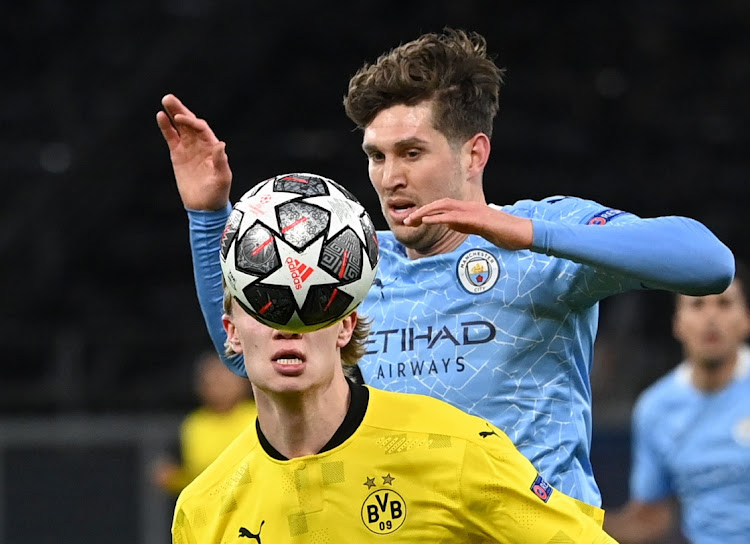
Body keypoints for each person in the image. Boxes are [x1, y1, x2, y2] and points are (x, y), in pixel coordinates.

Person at [156, 28, 735, 507]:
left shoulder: (542, 238)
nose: (388, 177)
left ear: (473, 153)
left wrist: (531, 234)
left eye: (411, 152)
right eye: (376, 157)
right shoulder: (354, 264)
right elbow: (245, 348)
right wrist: (209, 215)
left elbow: (708, 263)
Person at [171, 278, 620, 543]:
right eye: (267, 304)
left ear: (346, 325)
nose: (289, 326)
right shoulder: (202, 509)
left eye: (312, 302)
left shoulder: (456, 449)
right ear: (230, 332)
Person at [603, 263, 750, 543]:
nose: (711, 317)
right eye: (697, 305)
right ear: (677, 324)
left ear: (746, 320)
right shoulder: (654, 408)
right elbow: (651, 518)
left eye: (724, 303)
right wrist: (573, 522)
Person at [151, 350, 256, 495]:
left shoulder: (261, 418)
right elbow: (176, 473)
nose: (219, 387)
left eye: (225, 379)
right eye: (212, 381)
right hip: (208, 507)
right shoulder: (193, 424)